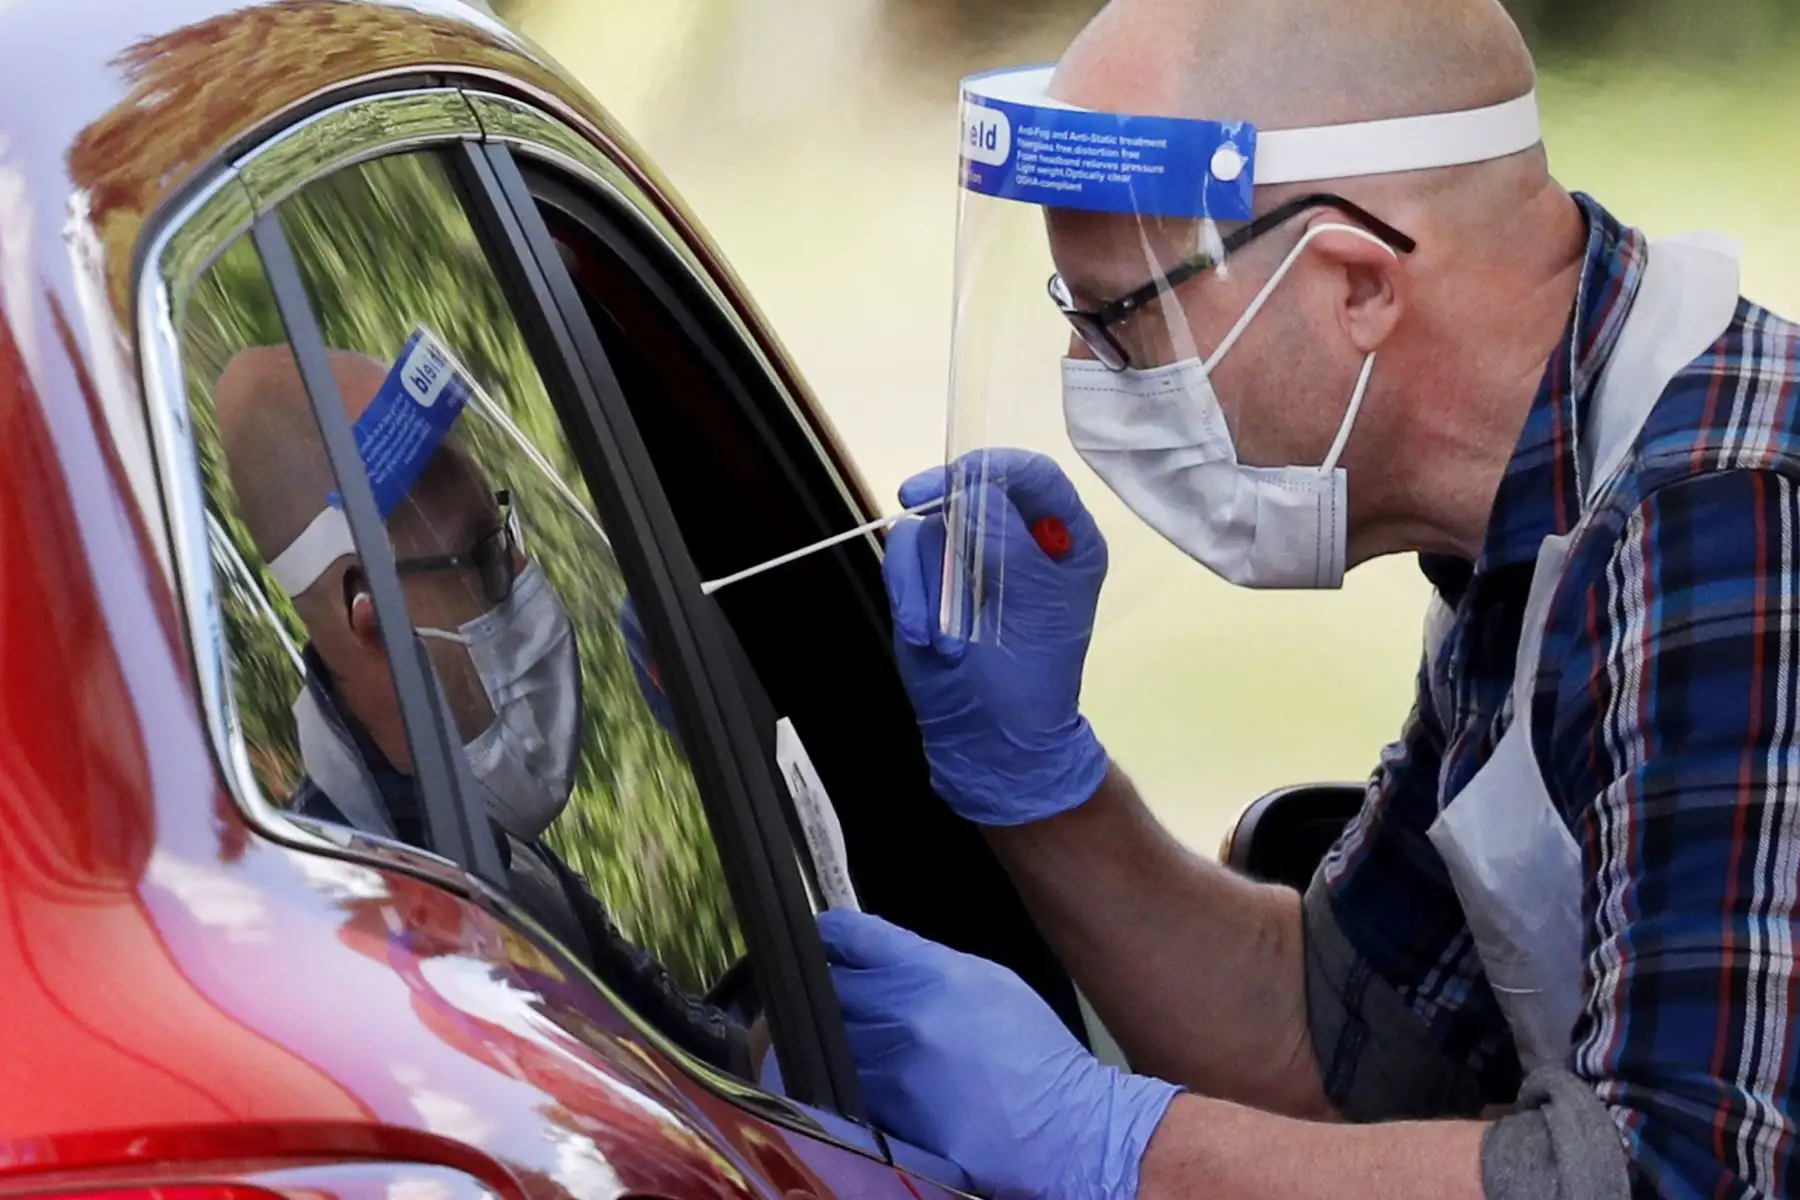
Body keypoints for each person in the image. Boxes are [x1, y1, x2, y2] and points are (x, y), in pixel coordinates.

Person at [816, 1, 1800, 1197]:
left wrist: (1109, 1146)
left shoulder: (1730, 524)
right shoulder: (1540, 519)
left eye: (1125, 321)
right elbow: (1341, 1049)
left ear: (1355, 286)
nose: (1092, 379)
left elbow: (1690, 1178)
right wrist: (1035, 780)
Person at [212, 344, 760, 1080]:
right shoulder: (373, 954)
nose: (524, 578)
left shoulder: (486, 846)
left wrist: (747, 763)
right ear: (368, 613)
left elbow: (717, 1071)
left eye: (503, 534)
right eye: (482, 553)